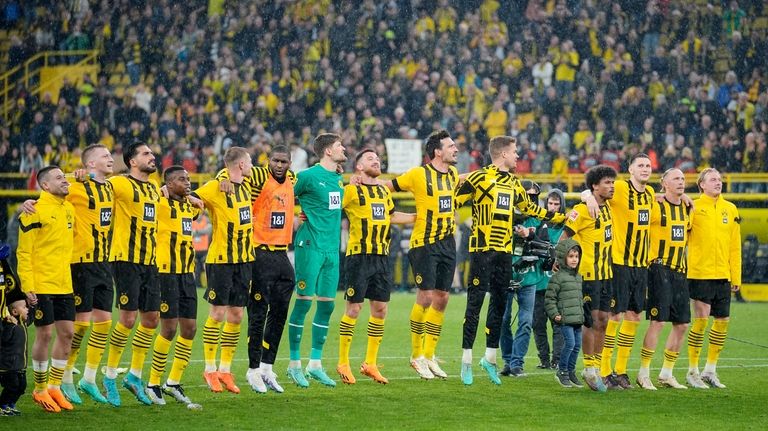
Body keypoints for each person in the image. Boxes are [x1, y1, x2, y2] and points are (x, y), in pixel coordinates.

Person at [455, 136, 565, 385]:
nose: (518, 156)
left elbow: (531, 209)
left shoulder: (515, 184)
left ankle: (490, 359)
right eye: (515, 152)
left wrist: (562, 217)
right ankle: (466, 361)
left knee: (500, 305)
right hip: (482, 249)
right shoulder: (479, 178)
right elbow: (453, 198)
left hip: (504, 252)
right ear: (503, 154)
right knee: (474, 305)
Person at [336, 149, 415, 385]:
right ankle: (343, 362)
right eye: (370, 158)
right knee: (354, 309)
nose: (376, 160)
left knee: (380, 309)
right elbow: (332, 205)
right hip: (359, 256)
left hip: (382, 256)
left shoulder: (382, 190)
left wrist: (419, 216)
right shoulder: (351, 190)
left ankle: (370, 363)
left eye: (378, 158)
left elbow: (391, 216)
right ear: (359, 167)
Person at [390, 129, 458, 380]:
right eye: (451, 146)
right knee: (426, 296)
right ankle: (416, 355)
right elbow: (388, 186)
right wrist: (361, 181)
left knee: (442, 298)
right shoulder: (418, 174)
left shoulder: (451, 175)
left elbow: (464, 180)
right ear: (437, 152)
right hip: (424, 243)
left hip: (447, 242)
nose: (456, 149)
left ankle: (430, 356)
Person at [585, 153, 654, 389]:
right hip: (619, 263)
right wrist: (588, 198)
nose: (645, 169)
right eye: (640, 165)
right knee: (614, 317)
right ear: (630, 169)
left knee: (634, 317)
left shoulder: (652, 194)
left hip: (640, 265)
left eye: (648, 165)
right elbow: (591, 189)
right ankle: (604, 370)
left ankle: (621, 371)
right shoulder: (620, 188)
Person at [287, 133, 346, 388]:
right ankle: (293, 365)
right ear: (328, 152)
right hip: (310, 246)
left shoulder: (338, 178)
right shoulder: (307, 176)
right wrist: (297, 216)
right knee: (302, 303)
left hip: (332, 250)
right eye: (339, 145)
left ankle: (315, 364)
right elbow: (283, 196)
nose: (344, 148)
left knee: (327, 306)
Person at [104, 142, 161, 407]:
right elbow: (91, 185)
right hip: (125, 259)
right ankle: (110, 375)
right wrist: (78, 176)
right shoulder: (119, 184)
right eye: (146, 153)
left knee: (151, 319)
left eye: (151, 153)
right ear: (132, 161)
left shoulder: (152, 189)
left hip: (150, 261)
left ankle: (135, 376)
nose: (152, 156)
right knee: (127, 319)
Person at [193, 146, 254, 394]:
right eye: (249, 162)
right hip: (221, 260)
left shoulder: (247, 186)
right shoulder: (216, 186)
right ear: (240, 165)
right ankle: (209, 368)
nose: (252, 166)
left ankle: (225, 370)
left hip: (244, 259)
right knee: (217, 313)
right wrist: (220, 178)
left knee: (237, 315)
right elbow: (190, 195)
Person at [238, 146, 297, 394]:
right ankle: (252, 370)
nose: (280, 165)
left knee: (280, 311)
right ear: (268, 161)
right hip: (259, 251)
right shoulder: (260, 176)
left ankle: (266, 367)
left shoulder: (293, 179)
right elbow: (231, 173)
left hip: (282, 254)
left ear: (290, 162)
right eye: (275, 160)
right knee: (258, 312)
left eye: (284, 161)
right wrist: (222, 180)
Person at [17, 165, 76, 412]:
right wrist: (27, 286)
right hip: (41, 284)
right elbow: (24, 252)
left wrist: (74, 176)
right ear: (45, 185)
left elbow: (78, 178)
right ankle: (40, 388)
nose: (65, 180)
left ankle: (54, 386)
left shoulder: (69, 209)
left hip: (64, 283)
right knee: (45, 334)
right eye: (59, 178)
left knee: (68, 335)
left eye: (65, 176)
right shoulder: (32, 212)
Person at [62, 144, 114, 405]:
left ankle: (89, 378)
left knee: (104, 322)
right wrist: (73, 175)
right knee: (80, 324)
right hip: (81, 263)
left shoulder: (112, 187)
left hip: (105, 263)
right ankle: (66, 376)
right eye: (105, 156)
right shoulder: (76, 186)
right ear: (90, 164)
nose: (110, 158)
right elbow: (49, 185)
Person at [145, 166, 201, 406]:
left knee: (189, 329)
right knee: (168, 328)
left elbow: (201, 202)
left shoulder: (189, 207)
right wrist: (160, 191)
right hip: (165, 272)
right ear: (168, 183)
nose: (187, 183)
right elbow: (145, 201)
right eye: (181, 179)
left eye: (188, 179)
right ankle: (152, 383)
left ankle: (173, 382)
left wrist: (194, 198)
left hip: (187, 273)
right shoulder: (159, 203)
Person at [561, 164, 617, 392]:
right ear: (595, 185)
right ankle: (589, 368)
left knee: (604, 319)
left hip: (607, 273)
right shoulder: (582, 210)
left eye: (613, 182)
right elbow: (564, 238)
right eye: (607, 183)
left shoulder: (611, 206)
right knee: (592, 320)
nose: (612, 186)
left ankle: (597, 366)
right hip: (588, 275)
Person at [635, 168, 692, 390]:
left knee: (682, 324)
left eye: (683, 178)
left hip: (680, 271)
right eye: (676, 178)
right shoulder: (656, 206)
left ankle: (667, 373)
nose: (681, 182)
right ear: (664, 183)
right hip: (659, 268)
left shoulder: (689, 208)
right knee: (657, 322)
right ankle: (643, 372)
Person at [501, 185, 566, 377]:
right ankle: (507, 360)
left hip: (530, 278)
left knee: (526, 321)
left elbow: (547, 249)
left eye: (532, 197)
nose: (528, 200)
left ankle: (516, 364)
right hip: (506, 275)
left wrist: (530, 236)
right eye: (525, 196)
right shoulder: (505, 217)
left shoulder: (540, 220)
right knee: (504, 321)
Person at [686, 168, 741, 389]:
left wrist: (735, 275)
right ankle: (692, 370)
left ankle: (710, 369)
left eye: (719, 179)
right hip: (700, 273)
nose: (718, 183)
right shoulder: (694, 207)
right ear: (702, 185)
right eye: (713, 180)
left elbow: (735, 246)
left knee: (722, 322)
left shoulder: (731, 208)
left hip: (723, 276)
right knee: (701, 320)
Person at [545, 238, 584, 388]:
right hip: (565, 319)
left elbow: (579, 298)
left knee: (577, 345)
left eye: (576, 256)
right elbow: (549, 299)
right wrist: (555, 315)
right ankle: (562, 372)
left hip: (577, 320)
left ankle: (571, 371)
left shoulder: (579, 277)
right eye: (571, 256)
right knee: (570, 344)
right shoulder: (557, 278)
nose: (574, 260)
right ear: (563, 258)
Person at [0, 286, 28, 416]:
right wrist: (7, 323)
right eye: (24, 307)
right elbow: (4, 340)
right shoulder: (8, 326)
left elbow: (31, 313)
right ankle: (2, 405)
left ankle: (11, 404)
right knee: (12, 386)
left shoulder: (23, 323)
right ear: (15, 312)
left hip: (20, 365)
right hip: (8, 365)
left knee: (22, 386)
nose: (27, 309)